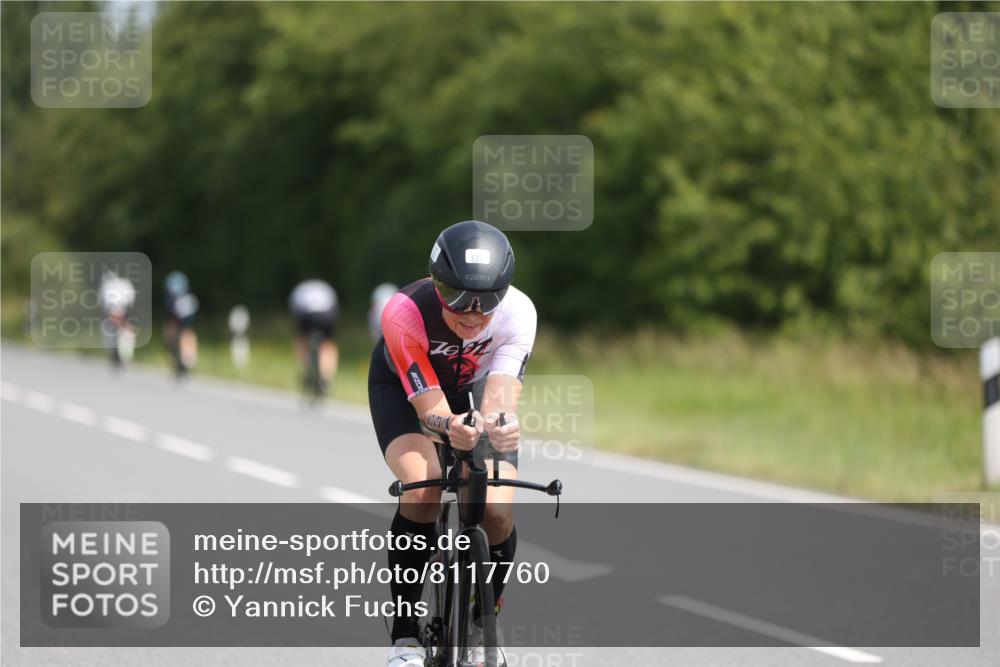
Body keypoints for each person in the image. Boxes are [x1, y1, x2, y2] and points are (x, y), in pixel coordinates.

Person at [369, 220, 536, 667]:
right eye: (457, 295)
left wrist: (500, 424)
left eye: (487, 300)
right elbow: (429, 410)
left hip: (475, 388)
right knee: (423, 488)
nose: (472, 312)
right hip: (406, 391)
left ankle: (484, 623)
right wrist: (449, 426)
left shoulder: (520, 313)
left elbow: (500, 395)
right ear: (434, 282)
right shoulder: (403, 311)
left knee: (498, 510)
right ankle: (405, 636)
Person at [288, 279, 340, 393]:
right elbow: (335, 309)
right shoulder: (326, 289)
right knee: (328, 343)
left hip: (306, 313)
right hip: (327, 312)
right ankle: (327, 377)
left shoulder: (300, 290)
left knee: (301, 338)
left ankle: (304, 366)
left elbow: (295, 313)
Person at [163, 271, 199, 376]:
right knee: (171, 334)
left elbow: (190, 316)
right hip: (176, 322)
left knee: (187, 335)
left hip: (184, 324)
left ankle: (186, 359)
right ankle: (175, 358)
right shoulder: (171, 298)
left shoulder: (187, 298)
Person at [99, 270, 137, 370]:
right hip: (124, 308)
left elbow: (105, 306)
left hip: (120, 309)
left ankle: (121, 354)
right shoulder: (124, 283)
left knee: (114, 330)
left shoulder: (106, 287)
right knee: (126, 330)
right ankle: (122, 354)